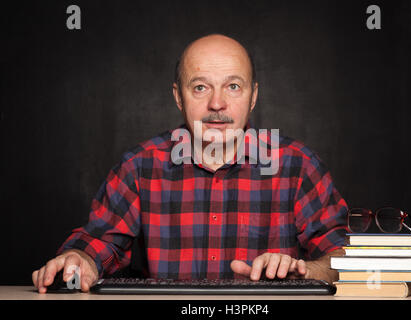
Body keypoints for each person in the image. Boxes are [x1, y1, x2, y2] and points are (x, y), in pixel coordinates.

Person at [32, 34, 348, 293]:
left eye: (233, 86)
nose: (217, 103)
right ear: (178, 97)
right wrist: (79, 259)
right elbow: (99, 244)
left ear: (253, 97)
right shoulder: (140, 167)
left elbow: (344, 255)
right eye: (200, 87)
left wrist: (307, 272)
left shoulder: (298, 166)